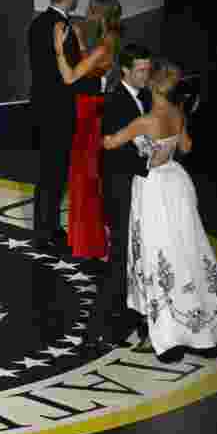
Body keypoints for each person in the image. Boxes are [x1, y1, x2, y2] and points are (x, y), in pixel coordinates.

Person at [103, 59, 217, 360]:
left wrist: (100, 135)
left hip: (153, 188)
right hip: (178, 184)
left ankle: (169, 330)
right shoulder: (177, 113)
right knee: (188, 249)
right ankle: (200, 320)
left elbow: (110, 144)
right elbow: (186, 147)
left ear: (152, 85)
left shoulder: (146, 120)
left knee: (157, 252)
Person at [82, 44, 152, 353]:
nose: (146, 75)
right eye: (140, 70)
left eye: (148, 70)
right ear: (125, 70)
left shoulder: (148, 97)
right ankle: (99, 327)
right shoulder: (115, 103)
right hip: (122, 191)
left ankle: (137, 321)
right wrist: (148, 164)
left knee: (140, 257)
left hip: (144, 190)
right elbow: (113, 154)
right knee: (121, 258)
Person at [55, 0, 123, 260]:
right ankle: (92, 240)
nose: (87, 14)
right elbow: (94, 63)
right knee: (89, 174)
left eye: (91, 10)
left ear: (99, 13)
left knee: (85, 175)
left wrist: (60, 50)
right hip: (95, 107)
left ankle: (91, 243)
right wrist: (82, 43)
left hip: (90, 114)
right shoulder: (111, 39)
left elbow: (71, 77)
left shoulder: (105, 45)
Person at [28, 0, 82, 248]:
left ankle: (47, 226)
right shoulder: (62, 28)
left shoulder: (37, 23)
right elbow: (69, 72)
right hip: (59, 110)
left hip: (40, 107)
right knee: (55, 171)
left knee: (49, 171)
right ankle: (45, 230)